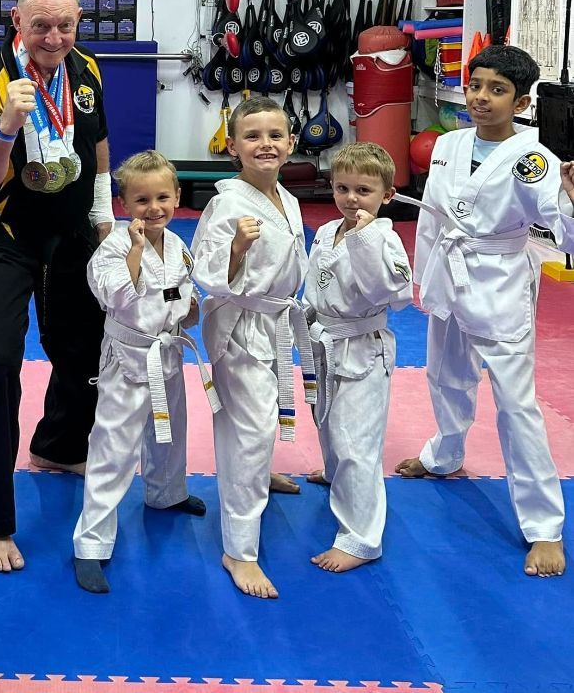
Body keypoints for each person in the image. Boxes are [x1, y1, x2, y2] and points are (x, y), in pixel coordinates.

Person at [394, 45, 574, 578]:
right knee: (444, 376)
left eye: (497, 90)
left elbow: (562, 230)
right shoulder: (449, 144)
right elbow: (432, 219)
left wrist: (571, 199)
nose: (480, 98)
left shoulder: (534, 159)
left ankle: (544, 527)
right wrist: (422, 278)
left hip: (499, 283)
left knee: (517, 406)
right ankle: (444, 454)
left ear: (521, 102)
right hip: (448, 275)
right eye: (475, 86)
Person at [0, 0, 114, 572]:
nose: (53, 37)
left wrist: (102, 213)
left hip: (70, 228)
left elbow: (98, 143)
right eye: (41, 25)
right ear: (17, 22)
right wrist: (5, 127)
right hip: (3, 233)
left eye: (65, 25)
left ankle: (58, 445)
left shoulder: (86, 69)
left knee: (84, 344)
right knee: (1, 360)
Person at [71, 151, 217, 594]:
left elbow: (180, 293)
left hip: (166, 353)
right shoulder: (114, 246)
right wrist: (135, 249)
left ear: (177, 197)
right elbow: (115, 296)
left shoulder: (178, 246)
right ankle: (91, 543)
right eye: (142, 200)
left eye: (162, 198)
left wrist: (189, 311)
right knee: (113, 449)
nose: (154, 208)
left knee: (170, 431)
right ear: (124, 203)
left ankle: (166, 493)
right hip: (128, 359)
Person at [191, 96, 316, 599]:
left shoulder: (287, 198)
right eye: (252, 136)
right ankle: (239, 550)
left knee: (259, 421)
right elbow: (204, 272)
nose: (265, 144)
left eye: (275, 135)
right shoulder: (226, 203)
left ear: (291, 142)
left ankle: (258, 474)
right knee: (250, 428)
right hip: (240, 324)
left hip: (274, 319)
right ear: (233, 146)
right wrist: (237, 249)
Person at [302, 142, 412, 573]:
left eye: (363, 191)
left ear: (387, 195)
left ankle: (362, 539)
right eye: (342, 188)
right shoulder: (328, 230)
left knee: (355, 441)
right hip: (324, 341)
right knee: (326, 420)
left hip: (362, 347)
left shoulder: (385, 238)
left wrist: (365, 241)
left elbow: (392, 294)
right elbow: (317, 283)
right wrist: (303, 317)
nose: (351, 199)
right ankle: (334, 474)